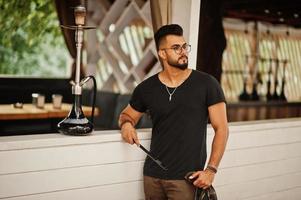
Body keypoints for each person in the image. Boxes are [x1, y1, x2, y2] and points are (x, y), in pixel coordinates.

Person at [119, 24, 228, 200]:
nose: (183, 51)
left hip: (187, 180)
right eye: (176, 48)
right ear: (162, 53)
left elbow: (222, 128)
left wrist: (211, 170)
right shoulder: (146, 88)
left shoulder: (207, 84)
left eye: (184, 46)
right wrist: (126, 125)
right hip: (152, 178)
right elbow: (127, 115)